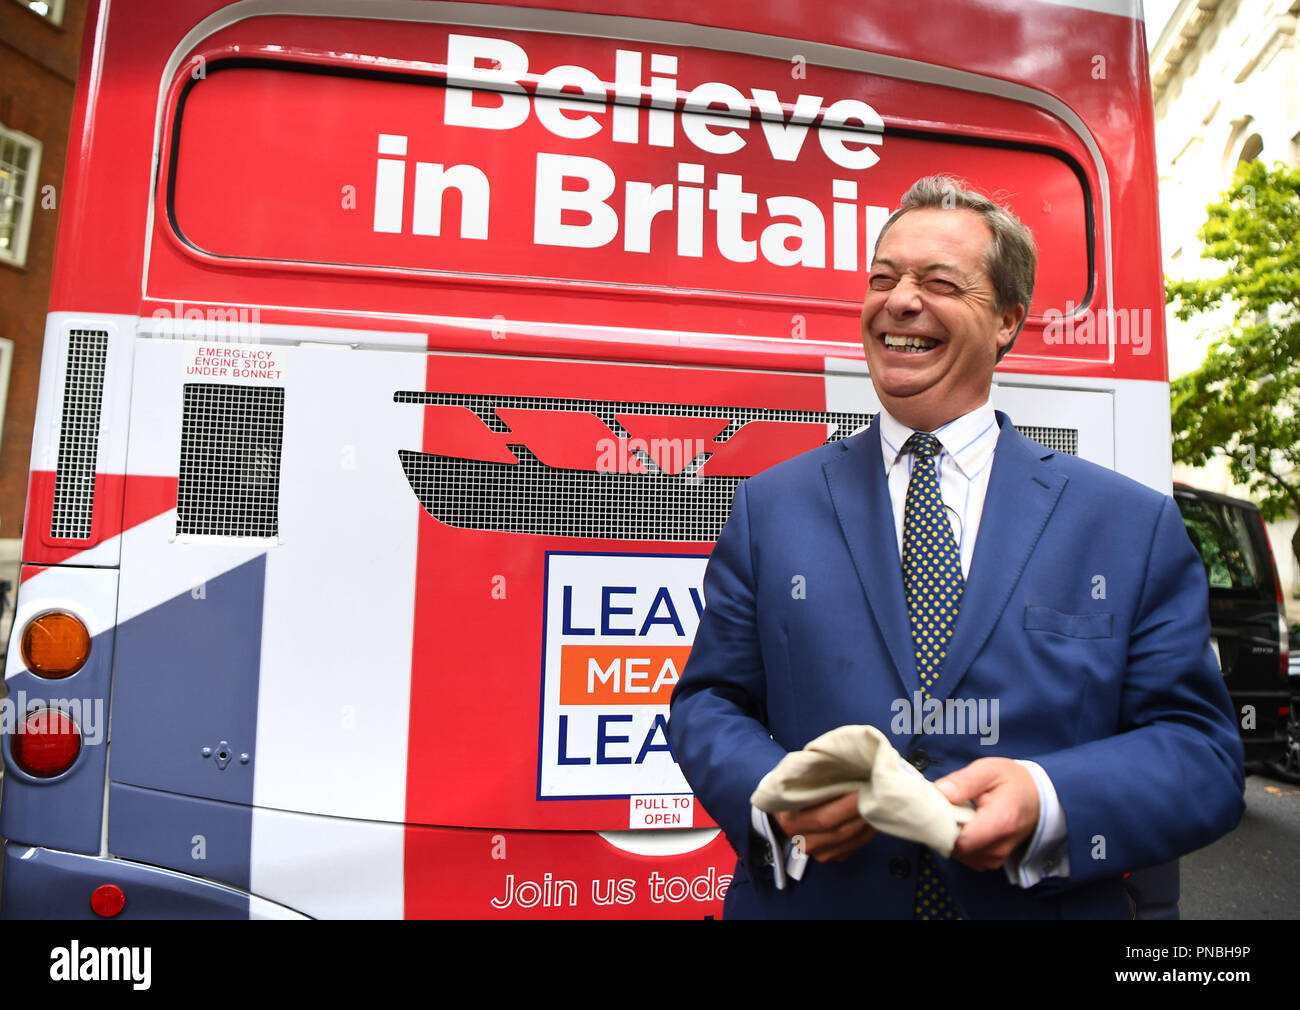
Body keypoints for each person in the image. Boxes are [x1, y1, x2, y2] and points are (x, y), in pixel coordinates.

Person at [668, 175, 1245, 919]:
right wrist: (772, 795)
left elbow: (1202, 754)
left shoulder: (1129, 525)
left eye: (938, 281)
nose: (900, 301)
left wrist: (1047, 800)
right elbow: (708, 702)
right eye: (883, 278)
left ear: (1007, 320)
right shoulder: (769, 507)